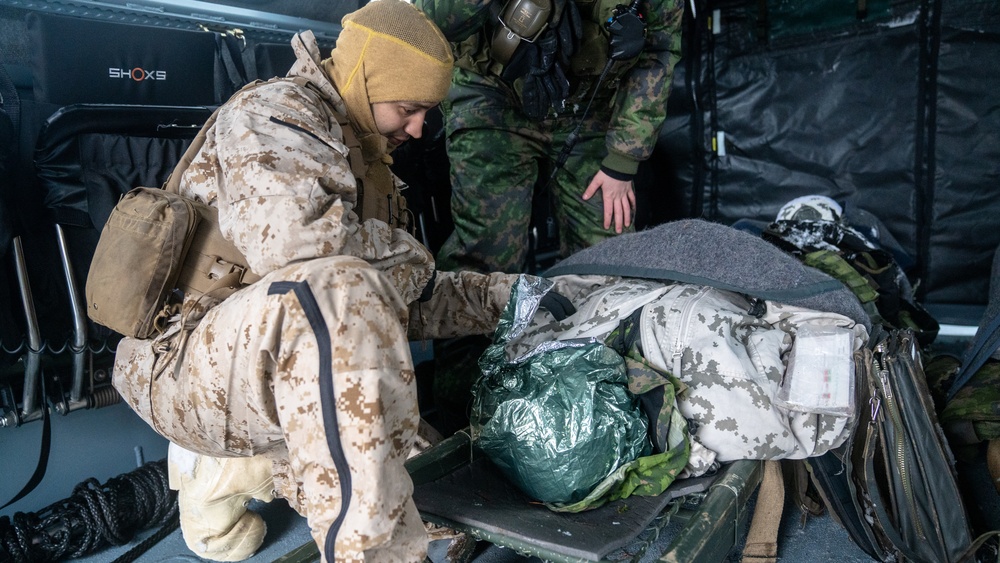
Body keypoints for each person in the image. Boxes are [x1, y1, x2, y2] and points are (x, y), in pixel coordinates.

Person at [109, 2, 533, 561]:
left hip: (272, 363)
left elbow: (410, 298)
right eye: (409, 108)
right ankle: (235, 471)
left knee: (450, 516)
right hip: (180, 367)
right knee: (339, 290)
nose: (420, 127)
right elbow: (300, 248)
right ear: (364, 78)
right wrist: (407, 261)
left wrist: (522, 300)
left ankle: (244, 468)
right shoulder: (273, 112)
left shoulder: (368, 158)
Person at [414, 0, 683, 432]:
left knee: (609, 260)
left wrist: (623, 157)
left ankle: (605, 410)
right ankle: (464, 421)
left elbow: (661, 48)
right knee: (483, 258)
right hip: (491, 93)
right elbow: (431, 21)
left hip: (589, 103)